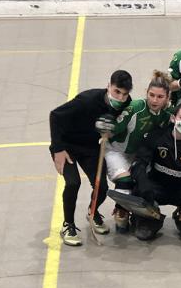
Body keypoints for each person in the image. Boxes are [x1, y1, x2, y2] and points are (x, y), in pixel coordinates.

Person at [49, 70, 133, 246]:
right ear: (108, 86)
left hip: (91, 148)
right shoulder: (87, 101)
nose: (120, 98)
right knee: (73, 183)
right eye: (117, 91)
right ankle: (68, 225)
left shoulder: (126, 105)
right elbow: (55, 116)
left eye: (125, 94)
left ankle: (93, 212)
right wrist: (58, 149)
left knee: (101, 186)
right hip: (67, 146)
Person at [124, 103, 181, 241]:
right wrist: (143, 182)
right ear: (173, 118)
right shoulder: (157, 137)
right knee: (139, 190)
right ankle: (150, 216)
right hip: (157, 187)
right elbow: (138, 164)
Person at [105, 71, 173, 232]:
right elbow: (115, 128)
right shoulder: (135, 108)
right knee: (125, 181)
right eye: (151, 95)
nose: (154, 100)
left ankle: (139, 213)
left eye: (160, 97)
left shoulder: (167, 115)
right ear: (146, 93)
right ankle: (121, 212)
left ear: (167, 98)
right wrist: (105, 128)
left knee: (145, 183)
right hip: (116, 152)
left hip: (139, 157)